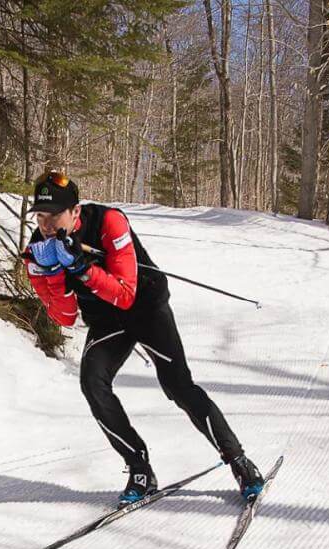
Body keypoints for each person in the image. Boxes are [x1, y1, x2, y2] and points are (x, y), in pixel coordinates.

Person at [21, 170, 264, 506]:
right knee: (93, 383)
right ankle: (139, 470)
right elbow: (64, 317)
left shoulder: (110, 222)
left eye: (55, 216)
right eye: (41, 217)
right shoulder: (39, 245)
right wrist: (51, 277)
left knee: (178, 387)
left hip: (145, 307)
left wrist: (80, 268)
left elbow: (125, 294)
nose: (46, 225)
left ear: (75, 211)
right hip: (106, 319)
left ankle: (238, 461)